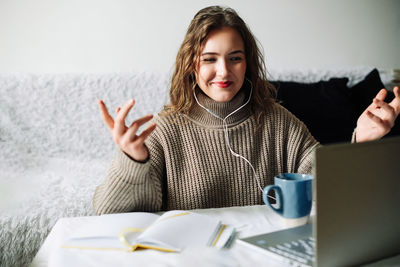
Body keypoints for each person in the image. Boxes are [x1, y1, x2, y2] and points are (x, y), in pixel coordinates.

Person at [93, 6, 400, 215]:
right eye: (210, 59)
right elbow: (107, 212)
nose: (224, 71)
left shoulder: (280, 122)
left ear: (248, 63)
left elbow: (327, 191)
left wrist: (362, 141)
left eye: (235, 58)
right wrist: (133, 159)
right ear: (191, 65)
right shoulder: (164, 130)